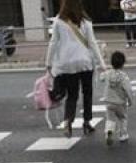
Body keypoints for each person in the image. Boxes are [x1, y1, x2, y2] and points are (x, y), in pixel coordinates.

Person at [45, 0, 107, 138]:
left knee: (72, 94)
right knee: (87, 93)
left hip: (67, 64)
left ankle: (68, 121)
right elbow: (92, 43)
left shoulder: (59, 21)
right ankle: (87, 122)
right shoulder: (86, 21)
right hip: (85, 62)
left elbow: (53, 43)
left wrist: (48, 62)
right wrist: (102, 64)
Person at [100, 51, 133, 146]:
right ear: (123, 64)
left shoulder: (108, 74)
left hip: (109, 101)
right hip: (120, 102)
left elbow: (101, 78)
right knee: (122, 118)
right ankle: (123, 135)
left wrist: (105, 72)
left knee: (110, 118)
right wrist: (130, 100)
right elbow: (128, 89)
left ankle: (109, 131)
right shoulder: (124, 77)